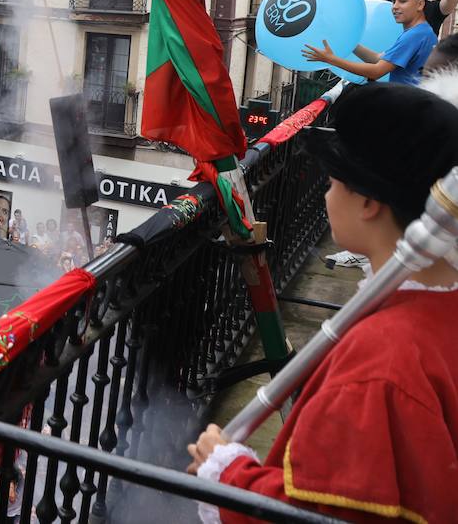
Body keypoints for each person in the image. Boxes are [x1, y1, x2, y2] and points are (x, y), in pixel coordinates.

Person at [187, 83, 458, 523]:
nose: (326, 195)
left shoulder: (379, 361)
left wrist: (229, 473)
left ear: (368, 202)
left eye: (332, 182)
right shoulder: (442, 313)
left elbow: (324, 511)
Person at [303, 0, 437, 86]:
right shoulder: (423, 32)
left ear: (420, 5)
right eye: (393, 1)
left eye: (403, 1)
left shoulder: (414, 35)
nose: (395, 6)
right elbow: (378, 59)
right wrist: (350, 42)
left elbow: (377, 71)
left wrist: (330, 59)